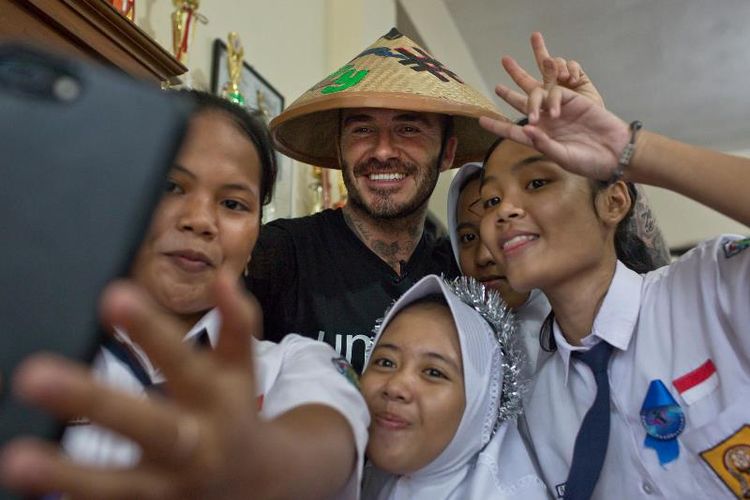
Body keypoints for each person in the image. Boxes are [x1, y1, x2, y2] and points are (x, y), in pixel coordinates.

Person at [0, 90, 369, 499]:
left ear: (255, 237)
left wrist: (255, 465)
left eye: (233, 203)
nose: (199, 220)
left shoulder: (296, 364)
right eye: (171, 186)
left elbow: (325, 439)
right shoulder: (30, 348)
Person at [478, 45, 750, 499]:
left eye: (537, 183)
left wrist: (631, 149)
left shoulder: (707, 290)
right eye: (489, 201)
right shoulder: (531, 403)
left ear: (614, 201)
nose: (505, 210)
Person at [246, 28, 508, 373]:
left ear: (447, 153)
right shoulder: (278, 253)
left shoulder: (463, 272)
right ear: (339, 149)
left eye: (409, 129)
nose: (383, 150)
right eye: (362, 130)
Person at [360, 274, 549, 499]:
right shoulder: (365, 478)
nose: (395, 387)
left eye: (433, 372)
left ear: (478, 404)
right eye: (385, 362)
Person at [447, 162, 551, 380]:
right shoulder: (452, 345)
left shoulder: (585, 332)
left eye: (502, 229)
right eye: (468, 238)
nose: (484, 256)